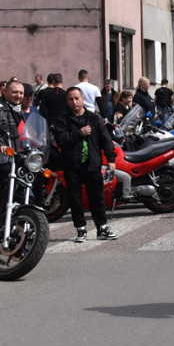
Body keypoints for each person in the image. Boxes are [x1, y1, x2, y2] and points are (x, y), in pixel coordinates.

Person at [52, 87, 117, 243]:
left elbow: (106, 139)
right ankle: (81, 229)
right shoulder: (62, 120)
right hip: (72, 165)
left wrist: (111, 159)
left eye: (77, 98)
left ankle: (102, 228)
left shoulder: (94, 118)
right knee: (75, 199)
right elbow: (61, 140)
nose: (74, 102)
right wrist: (80, 133)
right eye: (71, 99)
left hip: (92, 164)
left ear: (82, 99)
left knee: (97, 198)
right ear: (67, 101)